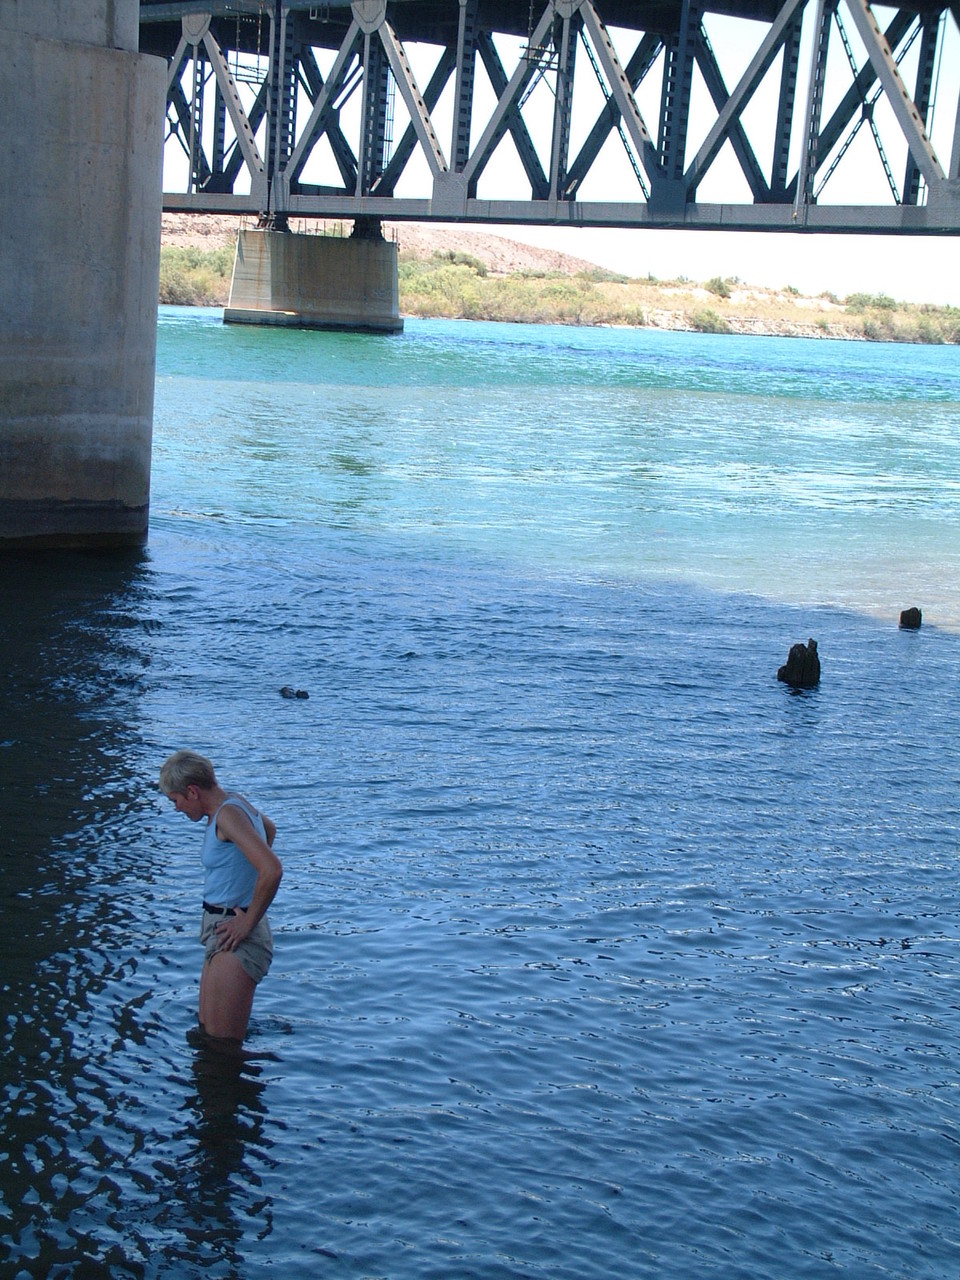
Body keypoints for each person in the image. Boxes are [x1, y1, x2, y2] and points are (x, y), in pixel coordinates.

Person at [160, 750, 282, 1043]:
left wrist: (247, 921)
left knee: (221, 1047)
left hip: (237, 933)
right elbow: (268, 829)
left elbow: (272, 869)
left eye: (175, 800)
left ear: (192, 791)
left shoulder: (227, 815)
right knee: (207, 1036)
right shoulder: (234, 803)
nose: (176, 808)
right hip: (224, 929)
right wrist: (243, 878)